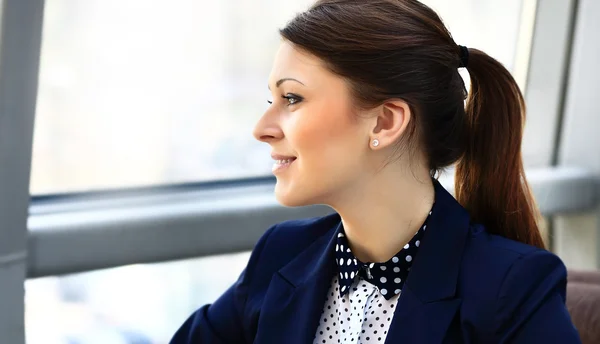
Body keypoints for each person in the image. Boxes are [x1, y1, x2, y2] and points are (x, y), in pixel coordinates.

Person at [170, 0, 581, 342]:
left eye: (292, 98)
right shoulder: (281, 254)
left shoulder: (513, 287)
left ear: (385, 122)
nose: (262, 129)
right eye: (271, 100)